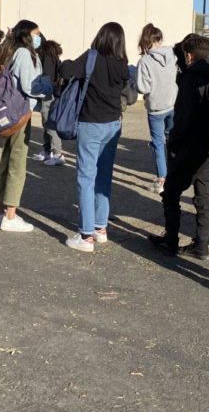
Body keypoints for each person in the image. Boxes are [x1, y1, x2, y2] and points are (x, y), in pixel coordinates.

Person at [149, 34, 209, 259]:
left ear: (188, 55)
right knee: (203, 194)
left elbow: (183, 119)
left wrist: (174, 144)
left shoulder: (189, 79)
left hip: (190, 147)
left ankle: (171, 240)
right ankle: (202, 245)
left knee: (172, 192)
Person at [61, 22, 129, 251]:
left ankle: (86, 235)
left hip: (91, 123)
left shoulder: (92, 57)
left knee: (86, 177)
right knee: (104, 176)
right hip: (113, 124)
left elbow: (65, 70)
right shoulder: (122, 63)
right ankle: (100, 227)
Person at [0, 20, 52, 231]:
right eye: (36, 33)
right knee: (17, 163)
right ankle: (10, 214)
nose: (39, 37)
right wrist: (48, 88)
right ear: (27, 34)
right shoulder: (24, 54)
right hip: (20, 112)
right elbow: (29, 85)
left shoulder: (6, 50)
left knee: (6, 160)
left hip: (5, 111)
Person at [135, 24, 178, 194]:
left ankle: (162, 179)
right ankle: (175, 174)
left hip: (155, 108)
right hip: (172, 103)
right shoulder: (172, 55)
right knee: (172, 139)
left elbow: (142, 87)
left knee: (158, 144)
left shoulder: (145, 61)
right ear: (159, 39)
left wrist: (133, 82)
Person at [32, 36, 66, 166]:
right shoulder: (55, 59)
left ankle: (58, 154)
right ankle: (46, 151)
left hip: (48, 95)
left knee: (50, 125)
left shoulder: (47, 59)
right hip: (50, 94)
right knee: (46, 124)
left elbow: (45, 77)